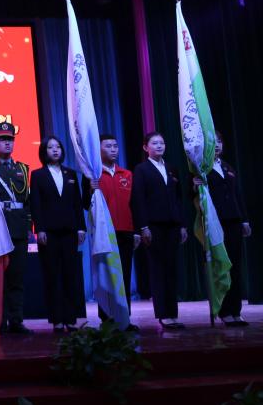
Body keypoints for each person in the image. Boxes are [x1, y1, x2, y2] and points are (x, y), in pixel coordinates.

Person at [0, 122, 33, 335]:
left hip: (18, 227)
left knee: (16, 277)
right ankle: (0, 320)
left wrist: (28, 225)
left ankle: (16, 320)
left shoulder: (22, 169)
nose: (7, 143)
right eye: (2, 139)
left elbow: (27, 201)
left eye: (10, 139)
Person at [130, 132, 188, 331]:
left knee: (172, 269)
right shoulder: (141, 169)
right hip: (153, 226)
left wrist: (182, 225)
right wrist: (143, 227)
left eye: (162, 143)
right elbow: (138, 200)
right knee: (158, 269)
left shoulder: (171, 168)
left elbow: (178, 199)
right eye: (154, 143)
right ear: (145, 147)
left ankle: (173, 313)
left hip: (173, 225)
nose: (159, 146)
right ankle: (163, 314)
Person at [193, 132, 251, 327]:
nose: (216, 145)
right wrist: (195, 186)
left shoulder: (227, 167)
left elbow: (238, 194)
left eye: (219, 141)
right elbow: (193, 195)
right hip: (215, 222)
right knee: (221, 265)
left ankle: (236, 311)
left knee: (235, 266)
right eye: (213, 142)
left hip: (234, 221)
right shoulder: (202, 168)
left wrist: (244, 220)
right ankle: (225, 311)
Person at [30, 136, 87, 333]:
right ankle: (57, 319)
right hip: (49, 233)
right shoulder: (38, 175)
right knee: (52, 276)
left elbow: (77, 203)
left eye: (58, 147)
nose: (55, 150)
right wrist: (40, 229)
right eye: (50, 147)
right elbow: (36, 205)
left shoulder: (70, 173)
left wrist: (81, 228)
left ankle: (71, 318)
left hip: (70, 231)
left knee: (70, 275)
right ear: (44, 151)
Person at [90, 134, 140, 331]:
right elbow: (85, 203)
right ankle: (107, 318)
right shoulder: (93, 175)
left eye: (115, 146)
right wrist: (90, 189)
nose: (113, 149)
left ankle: (124, 318)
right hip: (104, 234)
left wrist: (136, 231)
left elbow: (134, 205)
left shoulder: (126, 174)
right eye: (108, 146)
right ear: (99, 149)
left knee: (124, 275)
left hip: (126, 231)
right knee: (106, 275)